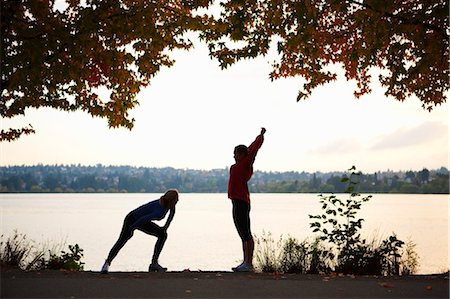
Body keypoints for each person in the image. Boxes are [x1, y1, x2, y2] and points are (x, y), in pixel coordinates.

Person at [100, 189, 179, 273]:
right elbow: (143, 219)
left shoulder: (170, 205)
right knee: (122, 240)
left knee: (163, 235)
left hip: (142, 221)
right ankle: (106, 264)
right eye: (176, 199)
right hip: (132, 219)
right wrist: (131, 228)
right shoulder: (159, 211)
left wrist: (165, 227)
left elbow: (172, 214)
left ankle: (154, 264)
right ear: (171, 201)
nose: (178, 201)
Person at [228, 127, 266, 272]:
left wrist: (260, 136)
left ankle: (249, 263)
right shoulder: (237, 165)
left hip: (242, 202)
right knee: (242, 232)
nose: (233, 156)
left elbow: (253, 149)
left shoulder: (245, 163)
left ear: (242, 154)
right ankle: (245, 262)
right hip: (235, 201)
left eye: (235, 153)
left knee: (246, 232)